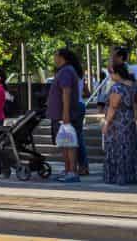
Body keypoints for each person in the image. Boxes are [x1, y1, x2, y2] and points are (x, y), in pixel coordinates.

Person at [101, 63, 137, 186]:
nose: (110, 75)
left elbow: (113, 106)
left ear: (117, 74)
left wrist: (106, 123)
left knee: (117, 147)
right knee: (129, 146)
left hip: (117, 121)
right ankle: (131, 175)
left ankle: (117, 176)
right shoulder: (132, 86)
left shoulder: (117, 88)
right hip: (129, 120)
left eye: (111, 73)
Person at [47, 48, 84, 183]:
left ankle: (72, 170)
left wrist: (66, 113)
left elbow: (66, 93)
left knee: (69, 143)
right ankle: (68, 169)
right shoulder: (65, 71)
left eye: (55, 55)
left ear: (62, 57)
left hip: (65, 115)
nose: (54, 58)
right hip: (60, 114)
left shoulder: (66, 71)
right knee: (65, 142)